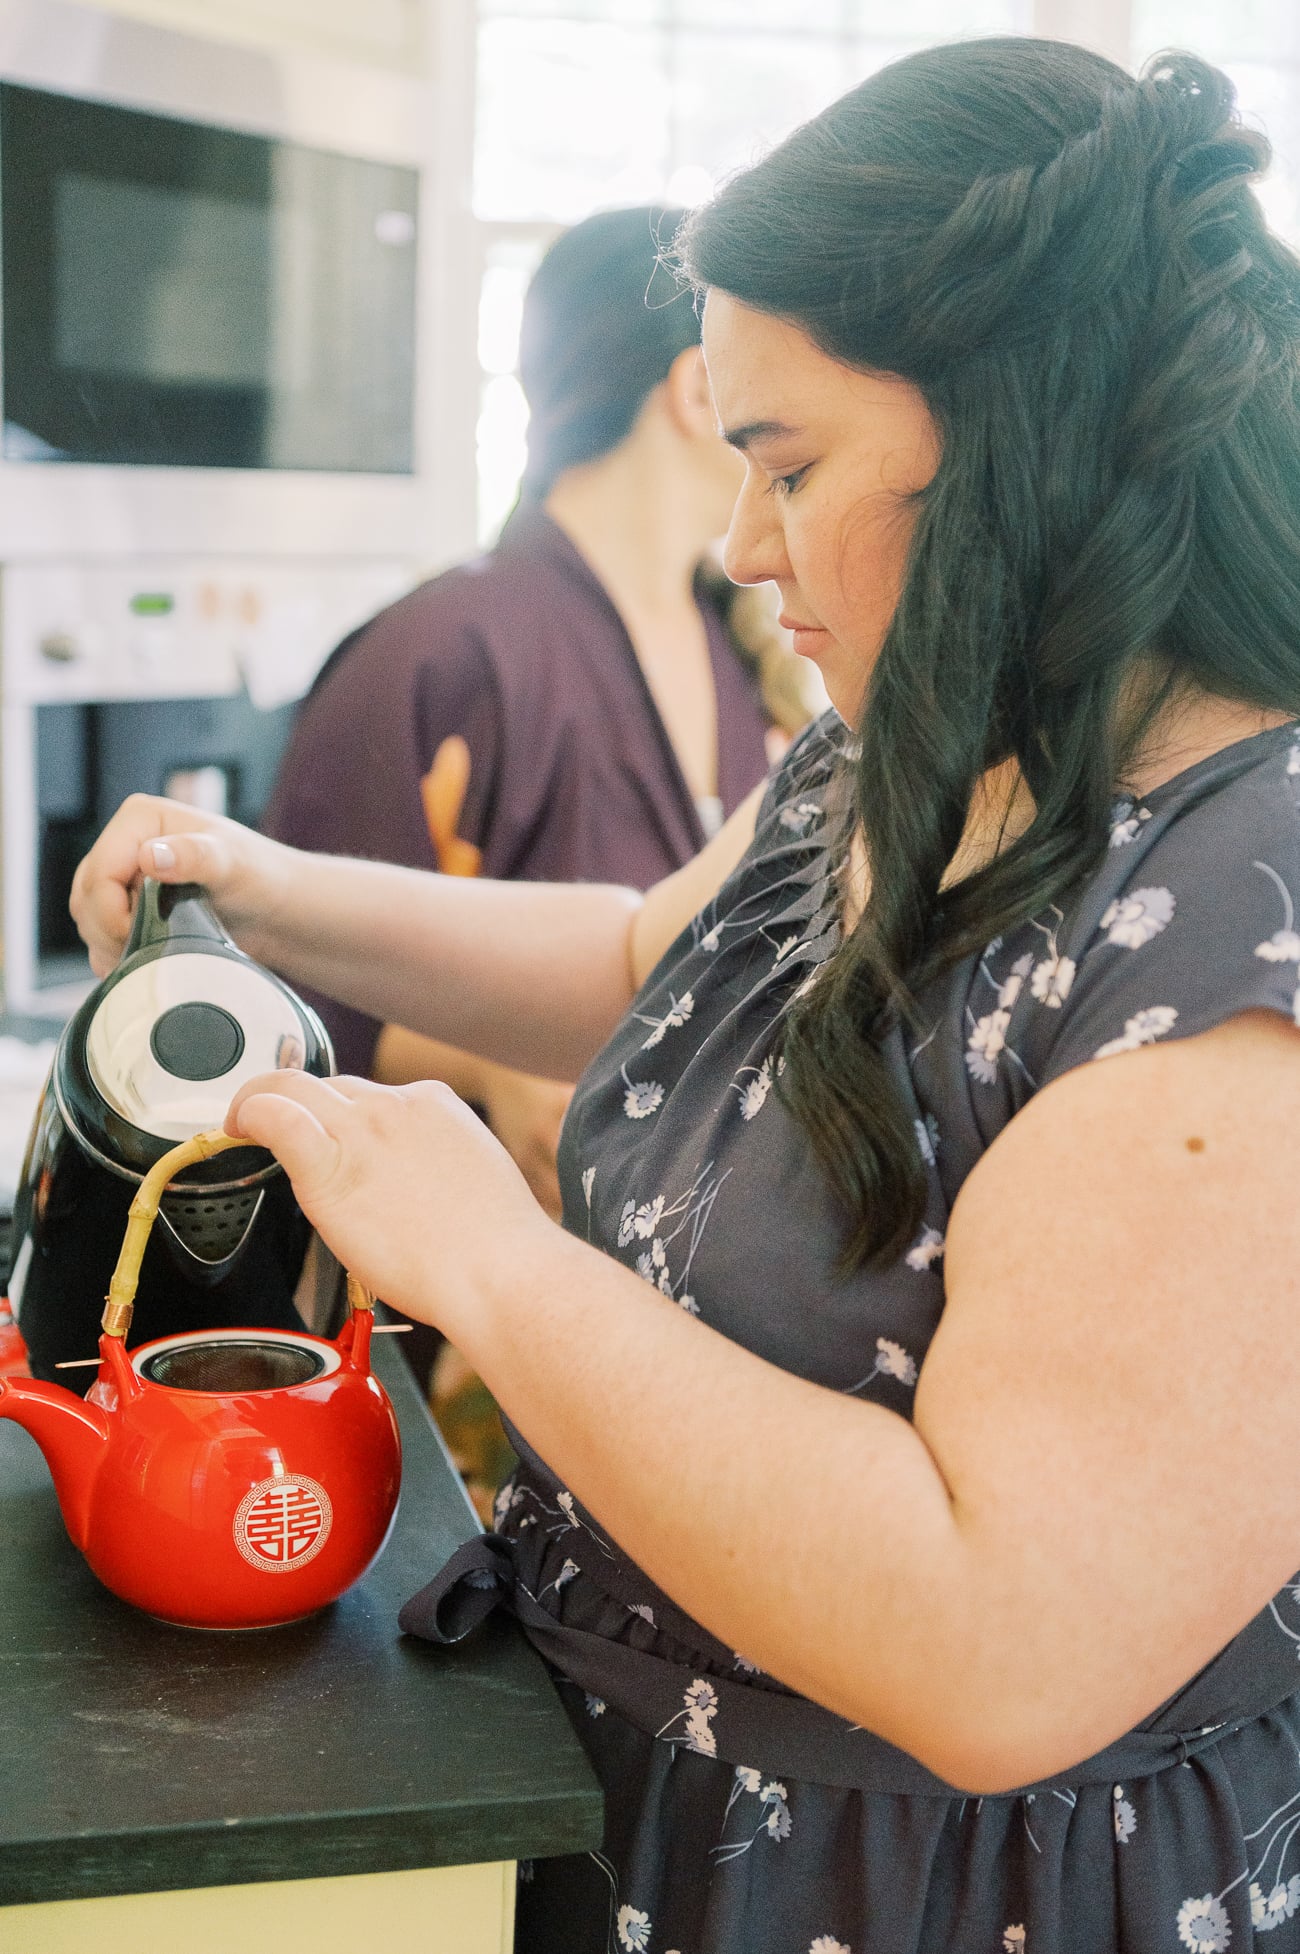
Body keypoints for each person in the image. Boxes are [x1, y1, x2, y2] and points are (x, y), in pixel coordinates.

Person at [71, 36, 1300, 1953]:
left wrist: (495, 1259)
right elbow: (659, 965)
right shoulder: (920, 736)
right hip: (636, 1799)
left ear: (1028, 432)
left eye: (789, 460)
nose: (743, 547)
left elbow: (997, 1648)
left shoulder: (1243, 941)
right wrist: (272, 892)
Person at [262, 205, 808, 1223]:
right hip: (449, 1300)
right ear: (698, 388)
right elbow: (284, 992)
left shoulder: (750, 655)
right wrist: (488, 1060)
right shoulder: (438, 654)